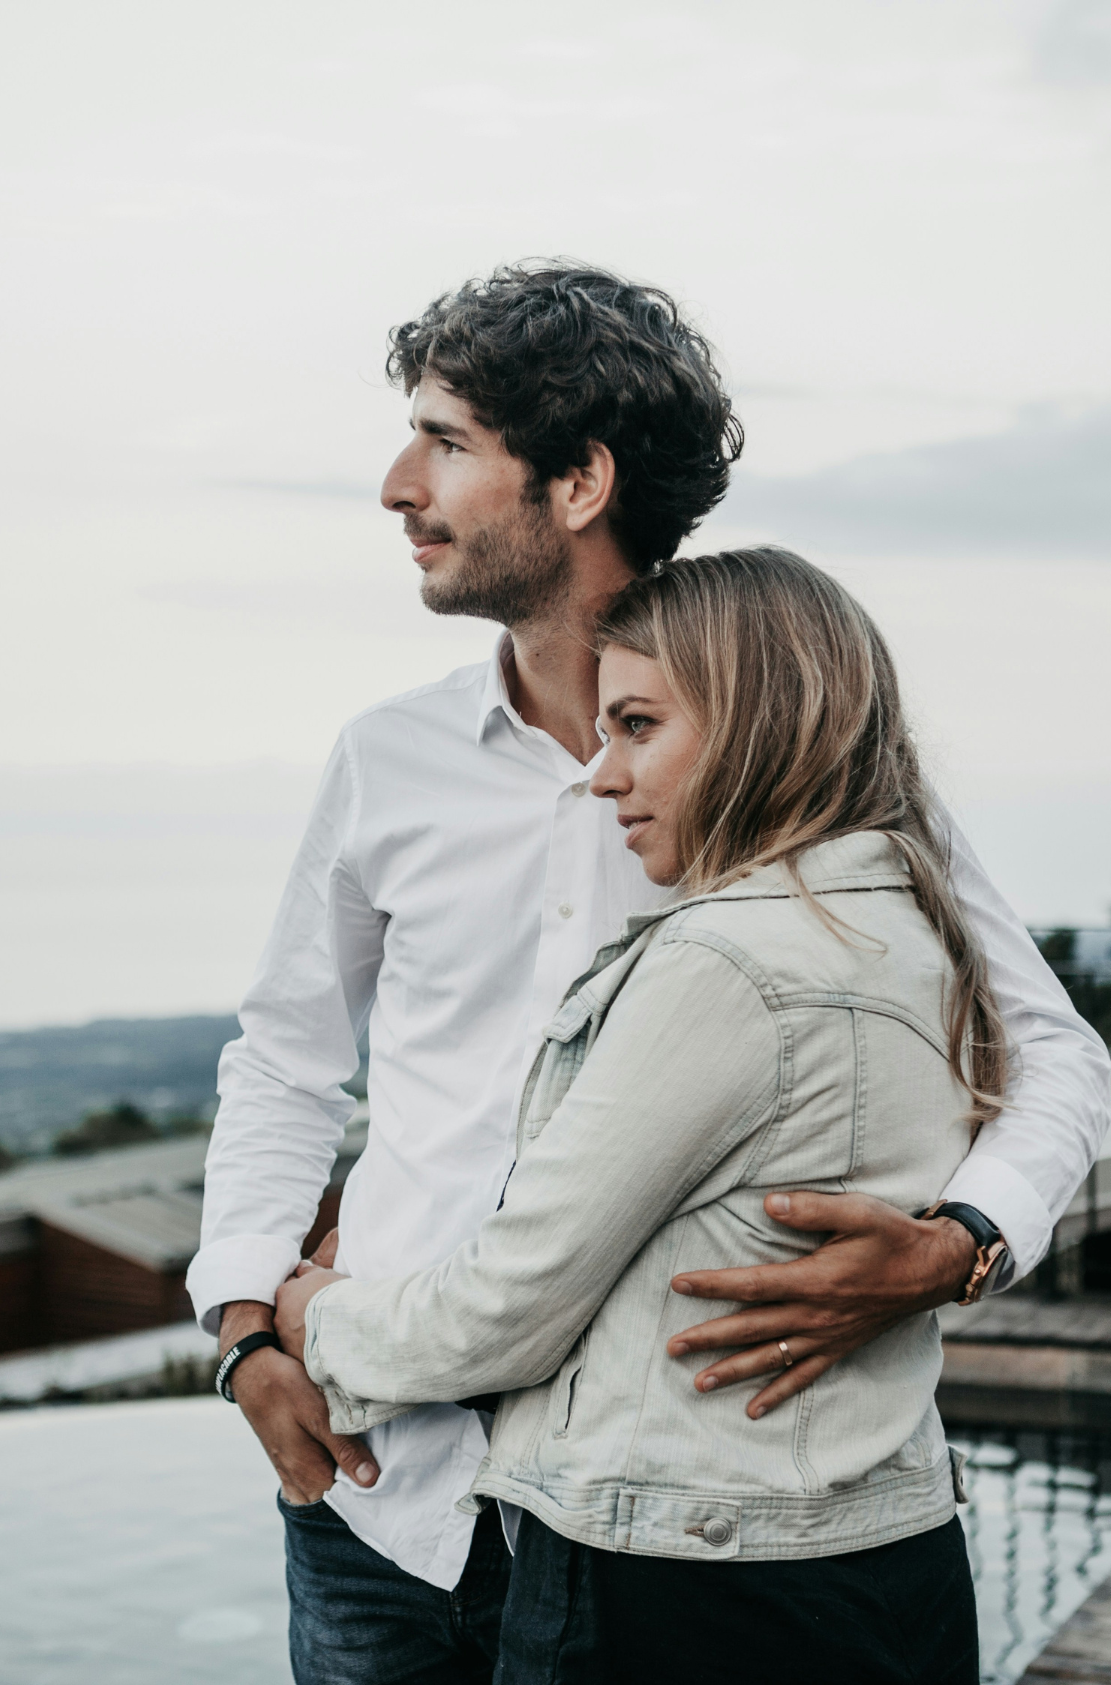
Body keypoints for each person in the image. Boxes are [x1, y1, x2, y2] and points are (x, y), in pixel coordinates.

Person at [186, 264, 1109, 1685]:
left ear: (577, 482)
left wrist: (962, 1240)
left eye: (443, 441)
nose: (396, 485)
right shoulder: (385, 759)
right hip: (380, 1490)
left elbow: (1050, 1052)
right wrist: (246, 1328)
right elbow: (284, 1061)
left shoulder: (811, 776)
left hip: (664, 1528)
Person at [275, 545, 1004, 1681]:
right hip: (888, 1557)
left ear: (759, 721)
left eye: (638, 728)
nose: (603, 775)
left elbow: (507, 1308)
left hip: (685, 1586)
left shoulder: (726, 962)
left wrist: (306, 1315)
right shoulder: (914, 923)